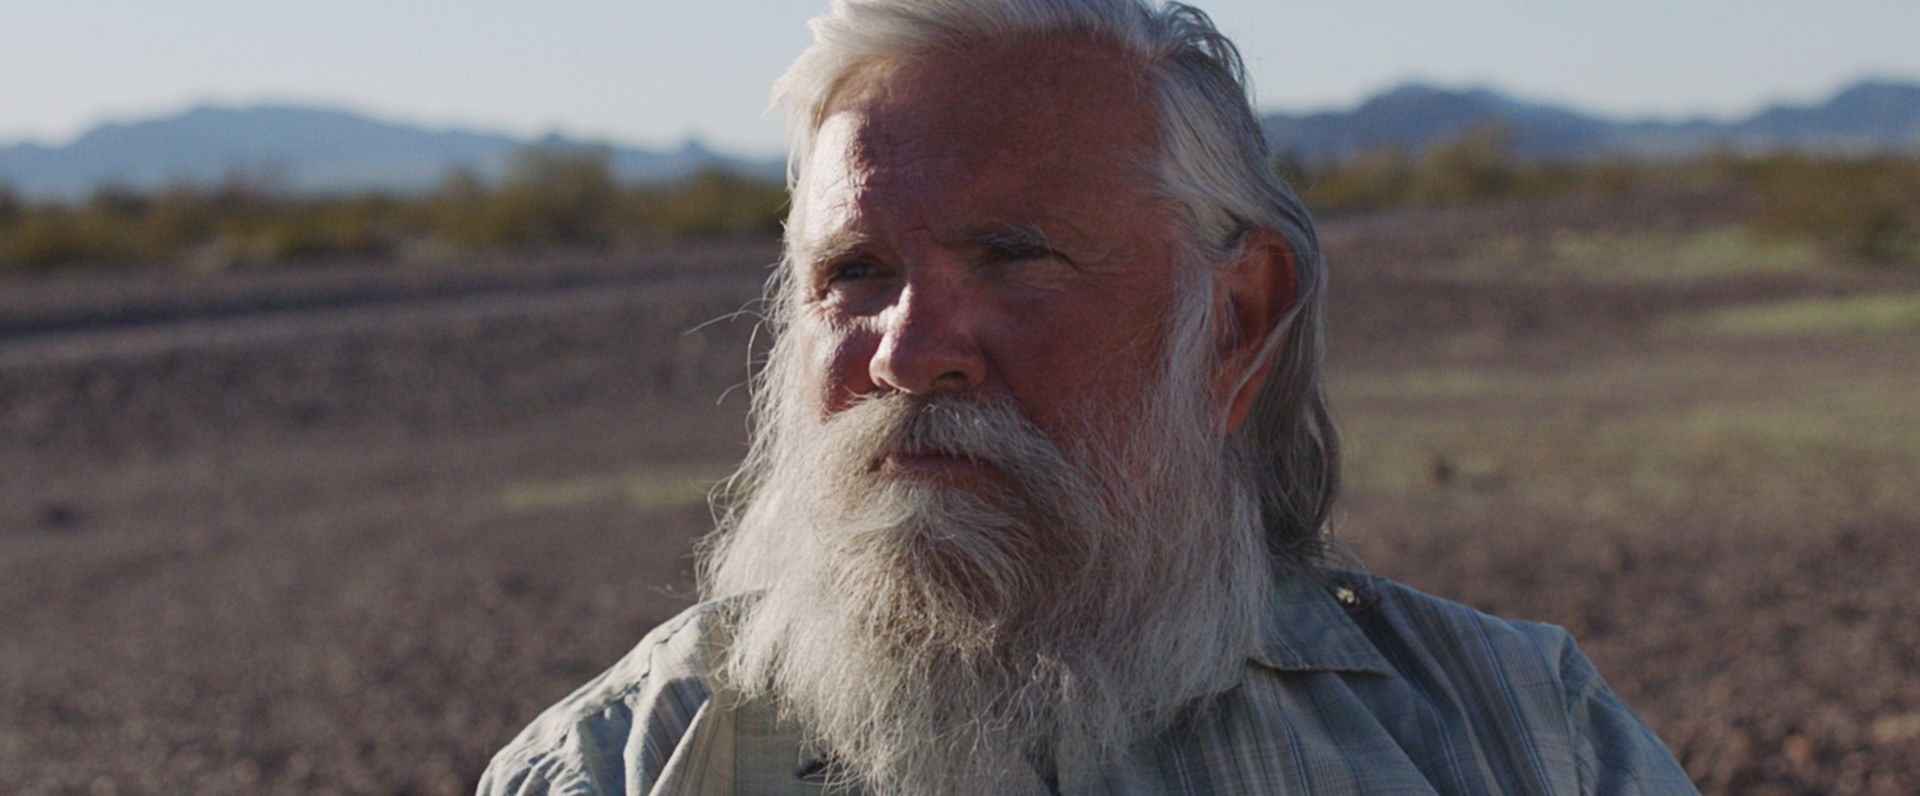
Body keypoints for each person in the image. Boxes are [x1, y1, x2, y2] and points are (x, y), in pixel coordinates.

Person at [480, 0, 1696, 793]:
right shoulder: (618, 766)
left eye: (1013, 255)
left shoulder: (1516, 740)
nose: (908, 353)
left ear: (1234, 320)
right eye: (855, 273)